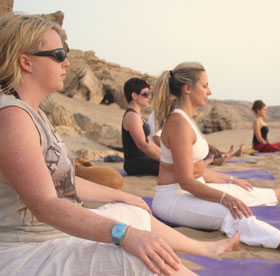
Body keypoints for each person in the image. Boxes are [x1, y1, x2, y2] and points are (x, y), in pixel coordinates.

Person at [0, 13, 240, 276]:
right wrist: (122, 234)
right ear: (26, 62)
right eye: (58, 54)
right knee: (140, 259)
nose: (67, 62)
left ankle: (206, 249)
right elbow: (45, 203)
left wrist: (123, 196)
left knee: (132, 212)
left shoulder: (34, 114)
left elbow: (61, 182)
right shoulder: (12, 117)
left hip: (51, 235)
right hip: (25, 250)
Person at [151, 62, 280, 256]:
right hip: (172, 200)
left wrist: (231, 181)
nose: (209, 91)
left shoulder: (187, 119)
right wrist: (224, 198)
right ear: (187, 88)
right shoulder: (179, 124)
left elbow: (198, 169)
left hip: (190, 190)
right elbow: (185, 181)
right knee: (233, 211)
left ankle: (278, 193)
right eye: (205, 86)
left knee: (240, 190)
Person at [147, 103, 244, 166]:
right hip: (167, 152)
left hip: (176, 149)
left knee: (210, 149)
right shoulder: (158, 115)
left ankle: (227, 154)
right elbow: (156, 139)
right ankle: (220, 158)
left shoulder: (170, 115)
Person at [122, 77, 161, 175]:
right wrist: (166, 159)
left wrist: (168, 155)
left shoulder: (138, 116)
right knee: (175, 168)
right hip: (135, 164)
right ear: (134, 96)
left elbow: (149, 143)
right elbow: (143, 145)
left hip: (144, 160)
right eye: (145, 94)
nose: (149, 97)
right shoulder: (132, 116)